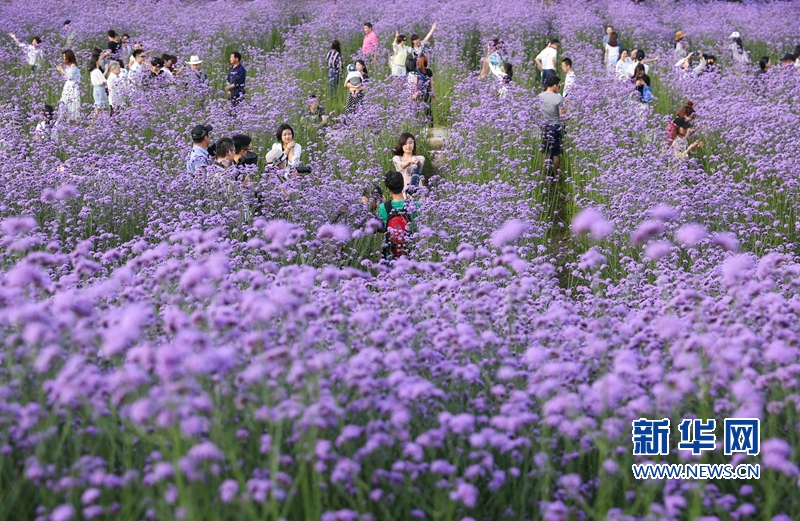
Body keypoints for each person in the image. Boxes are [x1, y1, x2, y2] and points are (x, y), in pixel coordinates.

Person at [379, 170, 418, 260]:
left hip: (391, 254)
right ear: (403, 185)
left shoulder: (383, 207)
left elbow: (383, 227)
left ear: (388, 189)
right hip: (412, 253)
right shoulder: (415, 204)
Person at [538, 75, 566, 173]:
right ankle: (555, 175)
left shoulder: (540, 96)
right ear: (554, 85)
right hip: (556, 127)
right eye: (558, 86)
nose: (558, 88)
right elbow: (562, 116)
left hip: (544, 126)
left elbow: (538, 113)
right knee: (556, 153)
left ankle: (544, 173)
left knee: (545, 151)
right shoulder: (558, 98)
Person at [56, 49, 81, 124]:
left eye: (64, 56)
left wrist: (61, 70)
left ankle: (74, 126)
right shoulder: (68, 66)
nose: (63, 58)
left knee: (73, 107)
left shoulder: (73, 66)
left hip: (72, 88)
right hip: (68, 87)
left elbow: (69, 77)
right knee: (65, 106)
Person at [89, 54, 109, 119]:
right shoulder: (97, 71)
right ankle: (107, 125)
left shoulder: (93, 71)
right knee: (104, 109)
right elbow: (104, 82)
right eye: (100, 60)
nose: (101, 61)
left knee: (97, 110)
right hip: (100, 91)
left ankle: (90, 127)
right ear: (96, 61)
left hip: (96, 90)